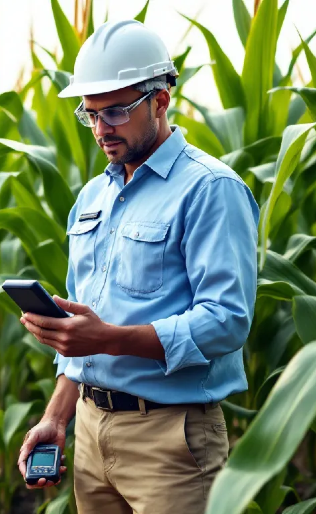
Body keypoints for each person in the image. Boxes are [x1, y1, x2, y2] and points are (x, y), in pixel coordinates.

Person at [16, 19, 260, 514]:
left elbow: (226, 320)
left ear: (160, 101)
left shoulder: (210, 189)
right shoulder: (91, 197)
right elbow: (79, 335)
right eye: (91, 115)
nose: (102, 129)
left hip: (170, 442)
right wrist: (55, 418)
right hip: (88, 431)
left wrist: (106, 338)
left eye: (117, 112)